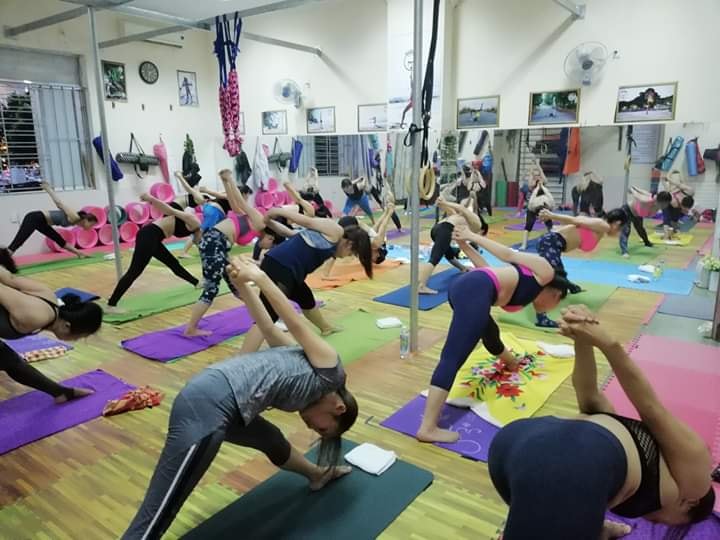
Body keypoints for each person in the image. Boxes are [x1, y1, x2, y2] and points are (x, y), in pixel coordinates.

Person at [122, 256, 358, 540]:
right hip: (207, 406)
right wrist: (259, 279)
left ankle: (316, 474)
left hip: (230, 407)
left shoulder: (306, 371)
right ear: (338, 406)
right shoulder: (330, 370)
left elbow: (269, 329)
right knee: (159, 510)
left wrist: (243, 288)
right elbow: (294, 323)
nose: (311, 427)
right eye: (322, 428)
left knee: (269, 437)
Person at [488, 304, 716, 539]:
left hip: (514, 443)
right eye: (670, 524)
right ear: (688, 506)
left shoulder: (612, 428)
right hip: (558, 467)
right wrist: (609, 344)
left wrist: (582, 339)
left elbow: (588, 393)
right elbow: (650, 408)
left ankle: (596, 528)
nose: (657, 523)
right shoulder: (695, 486)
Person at [416, 229, 568, 443]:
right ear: (556, 294)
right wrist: (473, 236)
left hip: (470, 287)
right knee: (453, 357)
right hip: (473, 289)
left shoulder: (519, 279)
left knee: (490, 334)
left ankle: (512, 362)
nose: (548, 310)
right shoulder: (545, 272)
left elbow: (485, 270)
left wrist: (466, 246)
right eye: (556, 305)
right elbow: (508, 254)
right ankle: (427, 428)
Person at [239, 206, 373, 352]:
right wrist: (276, 212)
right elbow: (306, 221)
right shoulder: (335, 231)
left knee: (305, 297)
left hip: (286, 269)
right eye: (352, 253)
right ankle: (241, 360)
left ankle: (326, 328)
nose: (349, 256)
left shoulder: (328, 241)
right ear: (350, 244)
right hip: (281, 268)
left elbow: (289, 233)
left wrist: (270, 223)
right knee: (268, 315)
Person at [0, 249, 102, 403]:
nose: (75, 340)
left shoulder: (49, 296)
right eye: (79, 336)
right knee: (9, 360)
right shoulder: (36, 316)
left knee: (9, 360)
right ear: (67, 326)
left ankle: (60, 393)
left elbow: (9, 278)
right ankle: (61, 393)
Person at [105, 193, 201, 313]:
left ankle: (196, 283)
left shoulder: (195, 229)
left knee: (173, 263)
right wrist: (151, 199)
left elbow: (196, 240)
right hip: (149, 235)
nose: (198, 242)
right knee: (134, 271)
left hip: (154, 238)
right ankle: (111, 305)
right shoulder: (194, 221)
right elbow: (170, 209)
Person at [532, 208, 627, 326]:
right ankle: (541, 318)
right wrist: (552, 215)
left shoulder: (599, 226)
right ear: (617, 224)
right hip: (551, 243)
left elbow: (577, 224)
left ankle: (571, 286)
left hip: (552, 243)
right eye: (621, 229)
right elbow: (575, 220)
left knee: (559, 280)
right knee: (553, 282)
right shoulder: (604, 225)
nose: (620, 233)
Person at [184, 171, 246, 337]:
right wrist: (227, 180)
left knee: (236, 282)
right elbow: (234, 199)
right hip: (213, 244)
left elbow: (232, 198)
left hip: (218, 245)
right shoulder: (241, 212)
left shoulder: (238, 212)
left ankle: (262, 313)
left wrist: (226, 180)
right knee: (211, 289)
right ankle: (191, 329)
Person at [6, 181, 98, 257]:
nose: (92, 227)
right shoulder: (74, 216)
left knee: (59, 240)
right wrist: (48, 189)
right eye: (92, 224)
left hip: (42, 222)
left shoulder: (75, 222)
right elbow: (59, 204)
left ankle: (79, 253)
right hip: (34, 218)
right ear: (86, 220)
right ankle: (4, 260)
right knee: (18, 241)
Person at [418, 198, 487, 295]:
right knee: (434, 259)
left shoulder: (460, 219)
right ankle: (421, 286)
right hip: (444, 229)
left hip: (436, 229)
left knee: (448, 252)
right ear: (482, 231)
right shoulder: (477, 223)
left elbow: (451, 210)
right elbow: (462, 208)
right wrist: (445, 202)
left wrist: (442, 204)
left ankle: (462, 267)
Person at [323, 199, 397, 278]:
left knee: (338, 247)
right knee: (337, 249)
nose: (371, 260)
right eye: (373, 259)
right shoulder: (378, 242)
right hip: (351, 223)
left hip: (350, 223)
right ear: (378, 254)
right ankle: (325, 274)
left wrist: (385, 212)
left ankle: (325, 273)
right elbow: (382, 226)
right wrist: (389, 213)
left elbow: (374, 228)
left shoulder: (369, 243)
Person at [619, 187, 672, 257]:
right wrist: (632, 190)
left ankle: (647, 243)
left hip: (638, 214)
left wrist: (636, 188)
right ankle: (624, 251)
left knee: (640, 229)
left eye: (667, 204)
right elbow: (637, 195)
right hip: (627, 210)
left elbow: (644, 192)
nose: (665, 206)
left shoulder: (658, 202)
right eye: (664, 204)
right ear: (659, 201)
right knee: (626, 230)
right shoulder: (646, 201)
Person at [520, 161, 555, 251]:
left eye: (538, 176)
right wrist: (532, 166)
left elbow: (543, 175)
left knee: (549, 225)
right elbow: (531, 177)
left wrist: (538, 165)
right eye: (535, 176)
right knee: (528, 226)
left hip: (543, 206)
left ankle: (552, 241)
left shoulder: (543, 184)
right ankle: (524, 244)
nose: (537, 177)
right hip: (533, 208)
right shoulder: (532, 185)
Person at [661, 171, 696, 239]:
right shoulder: (674, 200)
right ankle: (666, 234)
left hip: (674, 198)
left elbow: (679, 183)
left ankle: (674, 230)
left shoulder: (689, 191)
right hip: (667, 201)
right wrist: (665, 180)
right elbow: (667, 192)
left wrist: (669, 178)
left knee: (675, 218)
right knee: (667, 218)